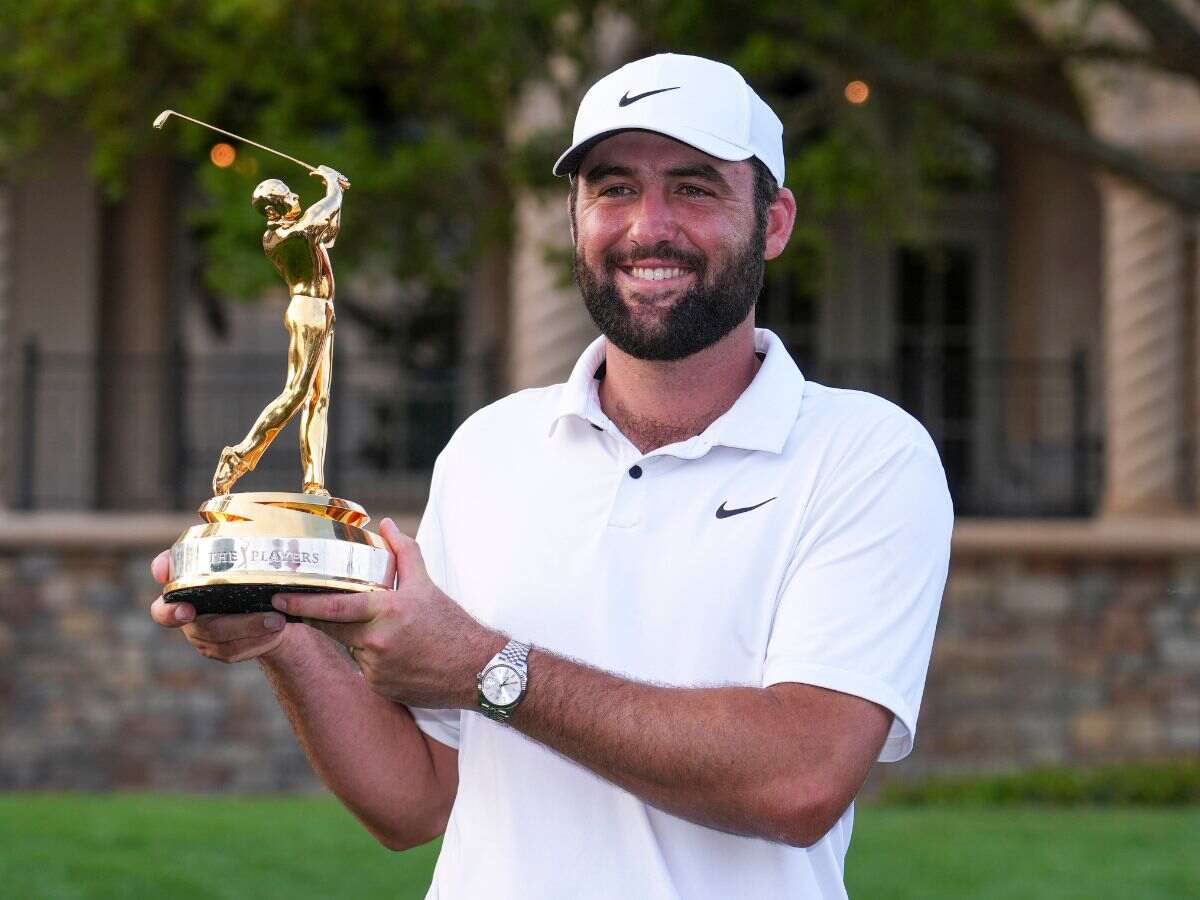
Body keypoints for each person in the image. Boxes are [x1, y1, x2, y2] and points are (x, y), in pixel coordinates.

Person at [150, 53, 952, 899]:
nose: (649, 226)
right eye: (613, 188)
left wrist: (487, 668)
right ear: (574, 220)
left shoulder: (866, 453)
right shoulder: (489, 447)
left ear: (775, 220)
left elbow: (800, 781)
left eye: (694, 188)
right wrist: (286, 636)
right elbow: (417, 801)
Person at [211, 164, 348, 496]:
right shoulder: (279, 237)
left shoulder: (297, 229)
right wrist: (333, 187)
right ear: (273, 209)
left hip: (323, 310)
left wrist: (337, 197)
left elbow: (328, 232)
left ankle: (314, 483)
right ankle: (239, 456)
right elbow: (318, 219)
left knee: (320, 399)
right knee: (296, 393)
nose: (295, 195)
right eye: (287, 195)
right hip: (307, 311)